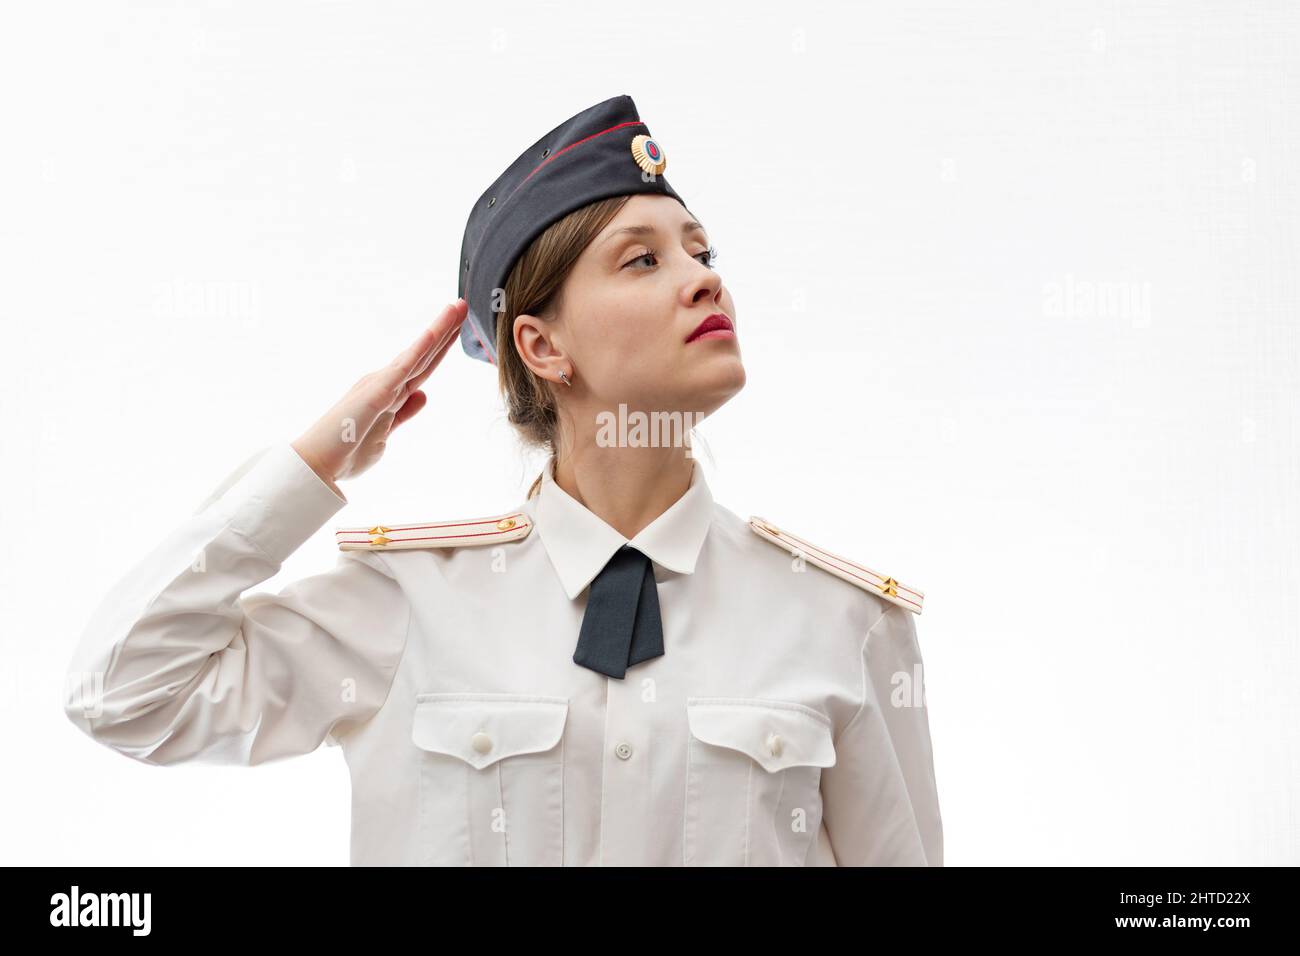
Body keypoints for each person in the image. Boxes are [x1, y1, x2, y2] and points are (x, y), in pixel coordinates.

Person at [62, 94, 942, 867]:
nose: (704, 278)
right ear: (541, 345)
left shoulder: (844, 623)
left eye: (702, 251)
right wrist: (316, 458)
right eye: (644, 260)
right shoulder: (406, 606)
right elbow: (125, 694)